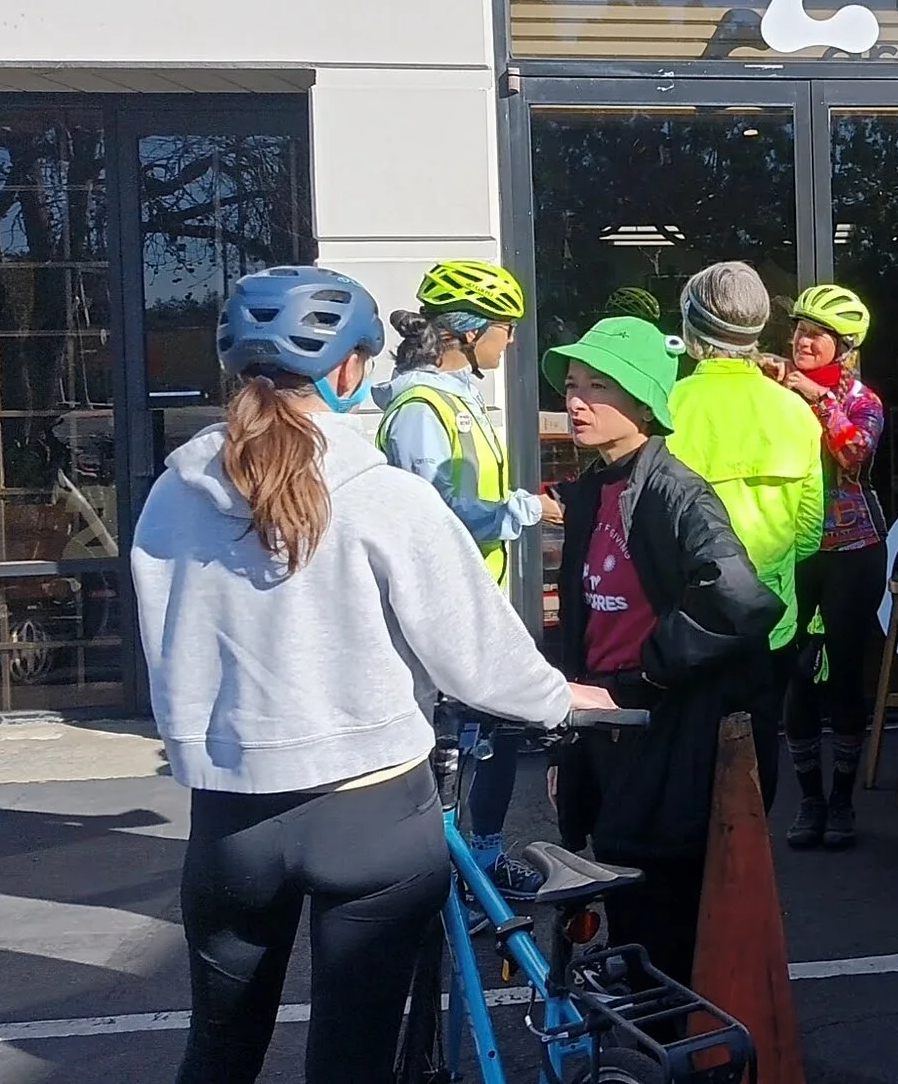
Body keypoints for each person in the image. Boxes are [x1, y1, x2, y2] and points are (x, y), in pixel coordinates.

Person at [129, 266, 612, 1084]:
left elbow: (167, 641)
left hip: (232, 818)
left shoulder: (173, 496)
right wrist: (556, 696)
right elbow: (474, 653)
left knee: (218, 1050)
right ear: (349, 370)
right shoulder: (385, 496)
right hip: (374, 812)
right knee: (353, 1058)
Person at [544, 315, 782, 987]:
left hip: (662, 728)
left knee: (660, 906)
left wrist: (646, 675)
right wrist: (571, 734)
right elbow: (588, 618)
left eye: (599, 387)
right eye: (572, 385)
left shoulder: (677, 492)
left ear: (645, 403)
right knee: (625, 892)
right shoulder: (595, 489)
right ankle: (644, 1017)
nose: (577, 401)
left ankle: (667, 1029)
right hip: (609, 728)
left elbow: (739, 598)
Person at [374, 258, 559, 899]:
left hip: (473, 595)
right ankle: (455, 879)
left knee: (492, 738)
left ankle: (477, 866)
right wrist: (529, 509)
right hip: (445, 605)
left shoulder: (456, 399)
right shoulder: (424, 408)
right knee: (465, 747)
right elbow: (438, 512)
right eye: (505, 328)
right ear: (470, 332)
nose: (511, 340)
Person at [665, 262, 825, 815]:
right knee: (758, 755)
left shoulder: (669, 406)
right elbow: (810, 533)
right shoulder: (796, 412)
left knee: (685, 759)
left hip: (686, 623)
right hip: (770, 619)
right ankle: (752, 853)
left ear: (691, 329)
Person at [774, 283, 891, 851]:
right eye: (800, 330)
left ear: (845, 348)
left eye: (818, 335)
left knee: (845, 673)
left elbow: (853, 454)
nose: (803, 341)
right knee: (797, 673)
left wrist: (818, 399)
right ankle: (809, 800)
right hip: (791, 549)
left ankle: (842, 799)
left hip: (853, 549)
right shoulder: (775, 388)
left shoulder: (864, 401)